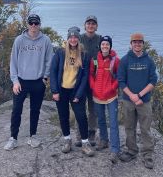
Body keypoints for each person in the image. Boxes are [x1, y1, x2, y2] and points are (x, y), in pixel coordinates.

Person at [4, 14, 53, 151]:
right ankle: (13, 138)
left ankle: (33, 136)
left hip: (38, 81)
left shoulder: (46, 40)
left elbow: (50, 60)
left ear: (39, 24)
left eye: (36, 23)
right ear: (27, 24)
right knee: (16, 111)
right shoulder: (19, 40)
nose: (33, 26)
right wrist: (15, 81)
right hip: (21, 82)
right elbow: (13, 62)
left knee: (35, 110)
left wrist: (45, 77)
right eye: (31, 23)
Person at [50, 26, 95, 157]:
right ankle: (67, 140)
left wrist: (79, 94)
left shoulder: (84, 55)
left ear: (78, 39)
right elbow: (53, 72)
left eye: (76, 37)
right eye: (71, 37)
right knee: (63, 116)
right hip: (61, 90)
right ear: (68, 38)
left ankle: (85, 143)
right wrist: (54, 91)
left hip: (76, 91)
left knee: (81, 117)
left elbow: (85, 76)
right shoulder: (60, 52)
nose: (73, 39)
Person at [117, 33, 158, 169]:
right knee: (129, 127)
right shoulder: (125, 60)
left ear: (143, 44)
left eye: (140, 42)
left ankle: (148, 155)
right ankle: (132, 151)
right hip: (128, 100)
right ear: (131, 44)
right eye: (135, 42)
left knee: (145, 129)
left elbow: (153, 81)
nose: (137, 44)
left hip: (144, 101)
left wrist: (139, 95)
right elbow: (121, 81)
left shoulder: (149, 61)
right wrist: (132, 96)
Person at [89, 36, 121, 163]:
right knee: (101, 120)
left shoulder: (116, 60)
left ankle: (115, 149)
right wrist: (93, 87)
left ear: (110, 46)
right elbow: (91, 75)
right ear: (100, 46)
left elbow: (119, 76)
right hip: (97, 95)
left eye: (107, 44)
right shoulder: (95, 60)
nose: (105, 46)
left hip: (111, 96)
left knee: (113, 123)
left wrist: (112, 88)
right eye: (103, 44)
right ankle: (103, 141)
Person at [77, 15, 101, 146]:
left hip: (95, 79)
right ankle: (79, 134)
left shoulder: (100, 39)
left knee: (93, 109)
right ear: (84, 25)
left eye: (93, 24)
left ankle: (91, 134)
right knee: (79, 107)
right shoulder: (79, 38)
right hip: (80, 78)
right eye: (88, 23)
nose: (91, 26)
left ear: (96, 26)